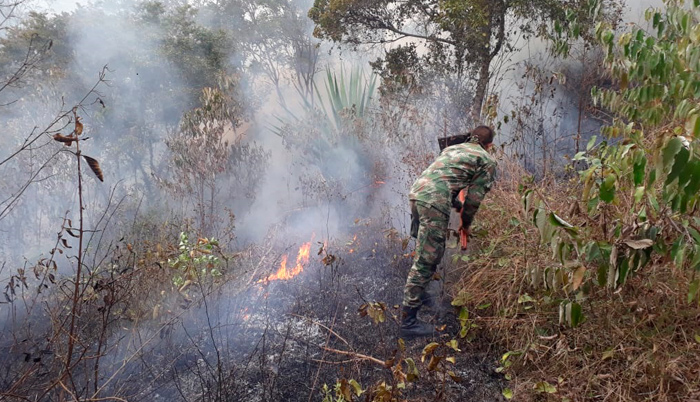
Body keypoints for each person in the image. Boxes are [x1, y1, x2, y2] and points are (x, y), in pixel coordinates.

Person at [401, 126, 497, 338]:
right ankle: (408, 323)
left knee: (425, 252)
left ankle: (421, 294)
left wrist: (454, 203)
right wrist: (465, 223)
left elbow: (443, 178)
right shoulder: (486, 159)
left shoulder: (452, 149)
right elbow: (474, 198)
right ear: (489, 145)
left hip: (417, 193)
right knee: (427, 259)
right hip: (433, 200)